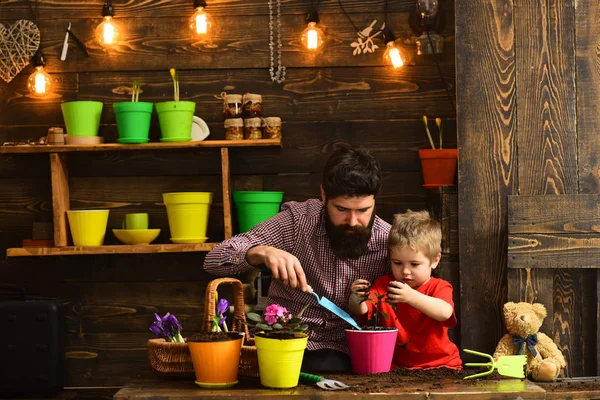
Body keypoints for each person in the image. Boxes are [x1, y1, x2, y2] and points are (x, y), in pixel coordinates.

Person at [204, 145, 391, 372]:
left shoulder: (388, 240)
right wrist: (262, 251)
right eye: (341, 209)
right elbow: (214, 259)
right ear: (323, 195)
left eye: (363, 210)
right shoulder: (297, 222)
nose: (352, 221)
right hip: (285, 344)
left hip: (357, 355)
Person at [348, 210, 462, 370]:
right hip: (397, 368)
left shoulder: (439, 286)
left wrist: (411, 297)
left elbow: (445, 313)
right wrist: (356, 298)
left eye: (414, 264)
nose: (405, 271)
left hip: (442, 365)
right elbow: (362, 310)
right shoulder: (385, 285)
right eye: (397, 263)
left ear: (435, 260)